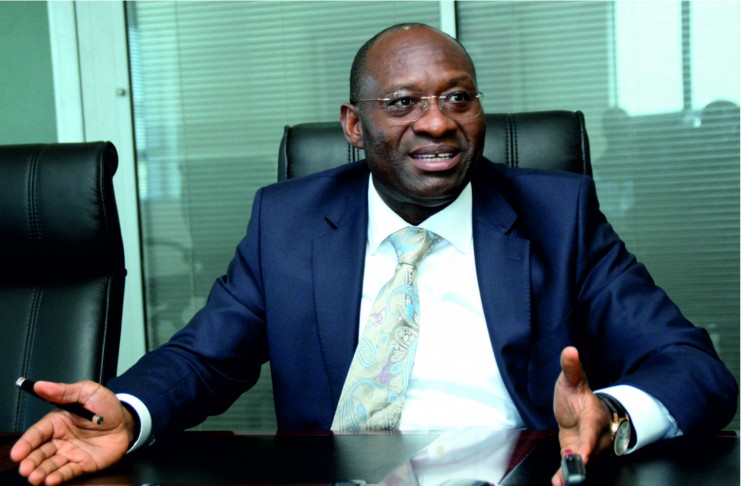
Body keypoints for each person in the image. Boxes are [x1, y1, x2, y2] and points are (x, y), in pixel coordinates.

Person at [11, 23, 737, 486]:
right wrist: (129, 410)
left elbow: (692, 367)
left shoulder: (557, 216)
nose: (437, 123)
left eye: (458, 98)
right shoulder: (288, 222)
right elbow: (206, 358)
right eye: (402, 103)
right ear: (354, 126)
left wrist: (611, 415)